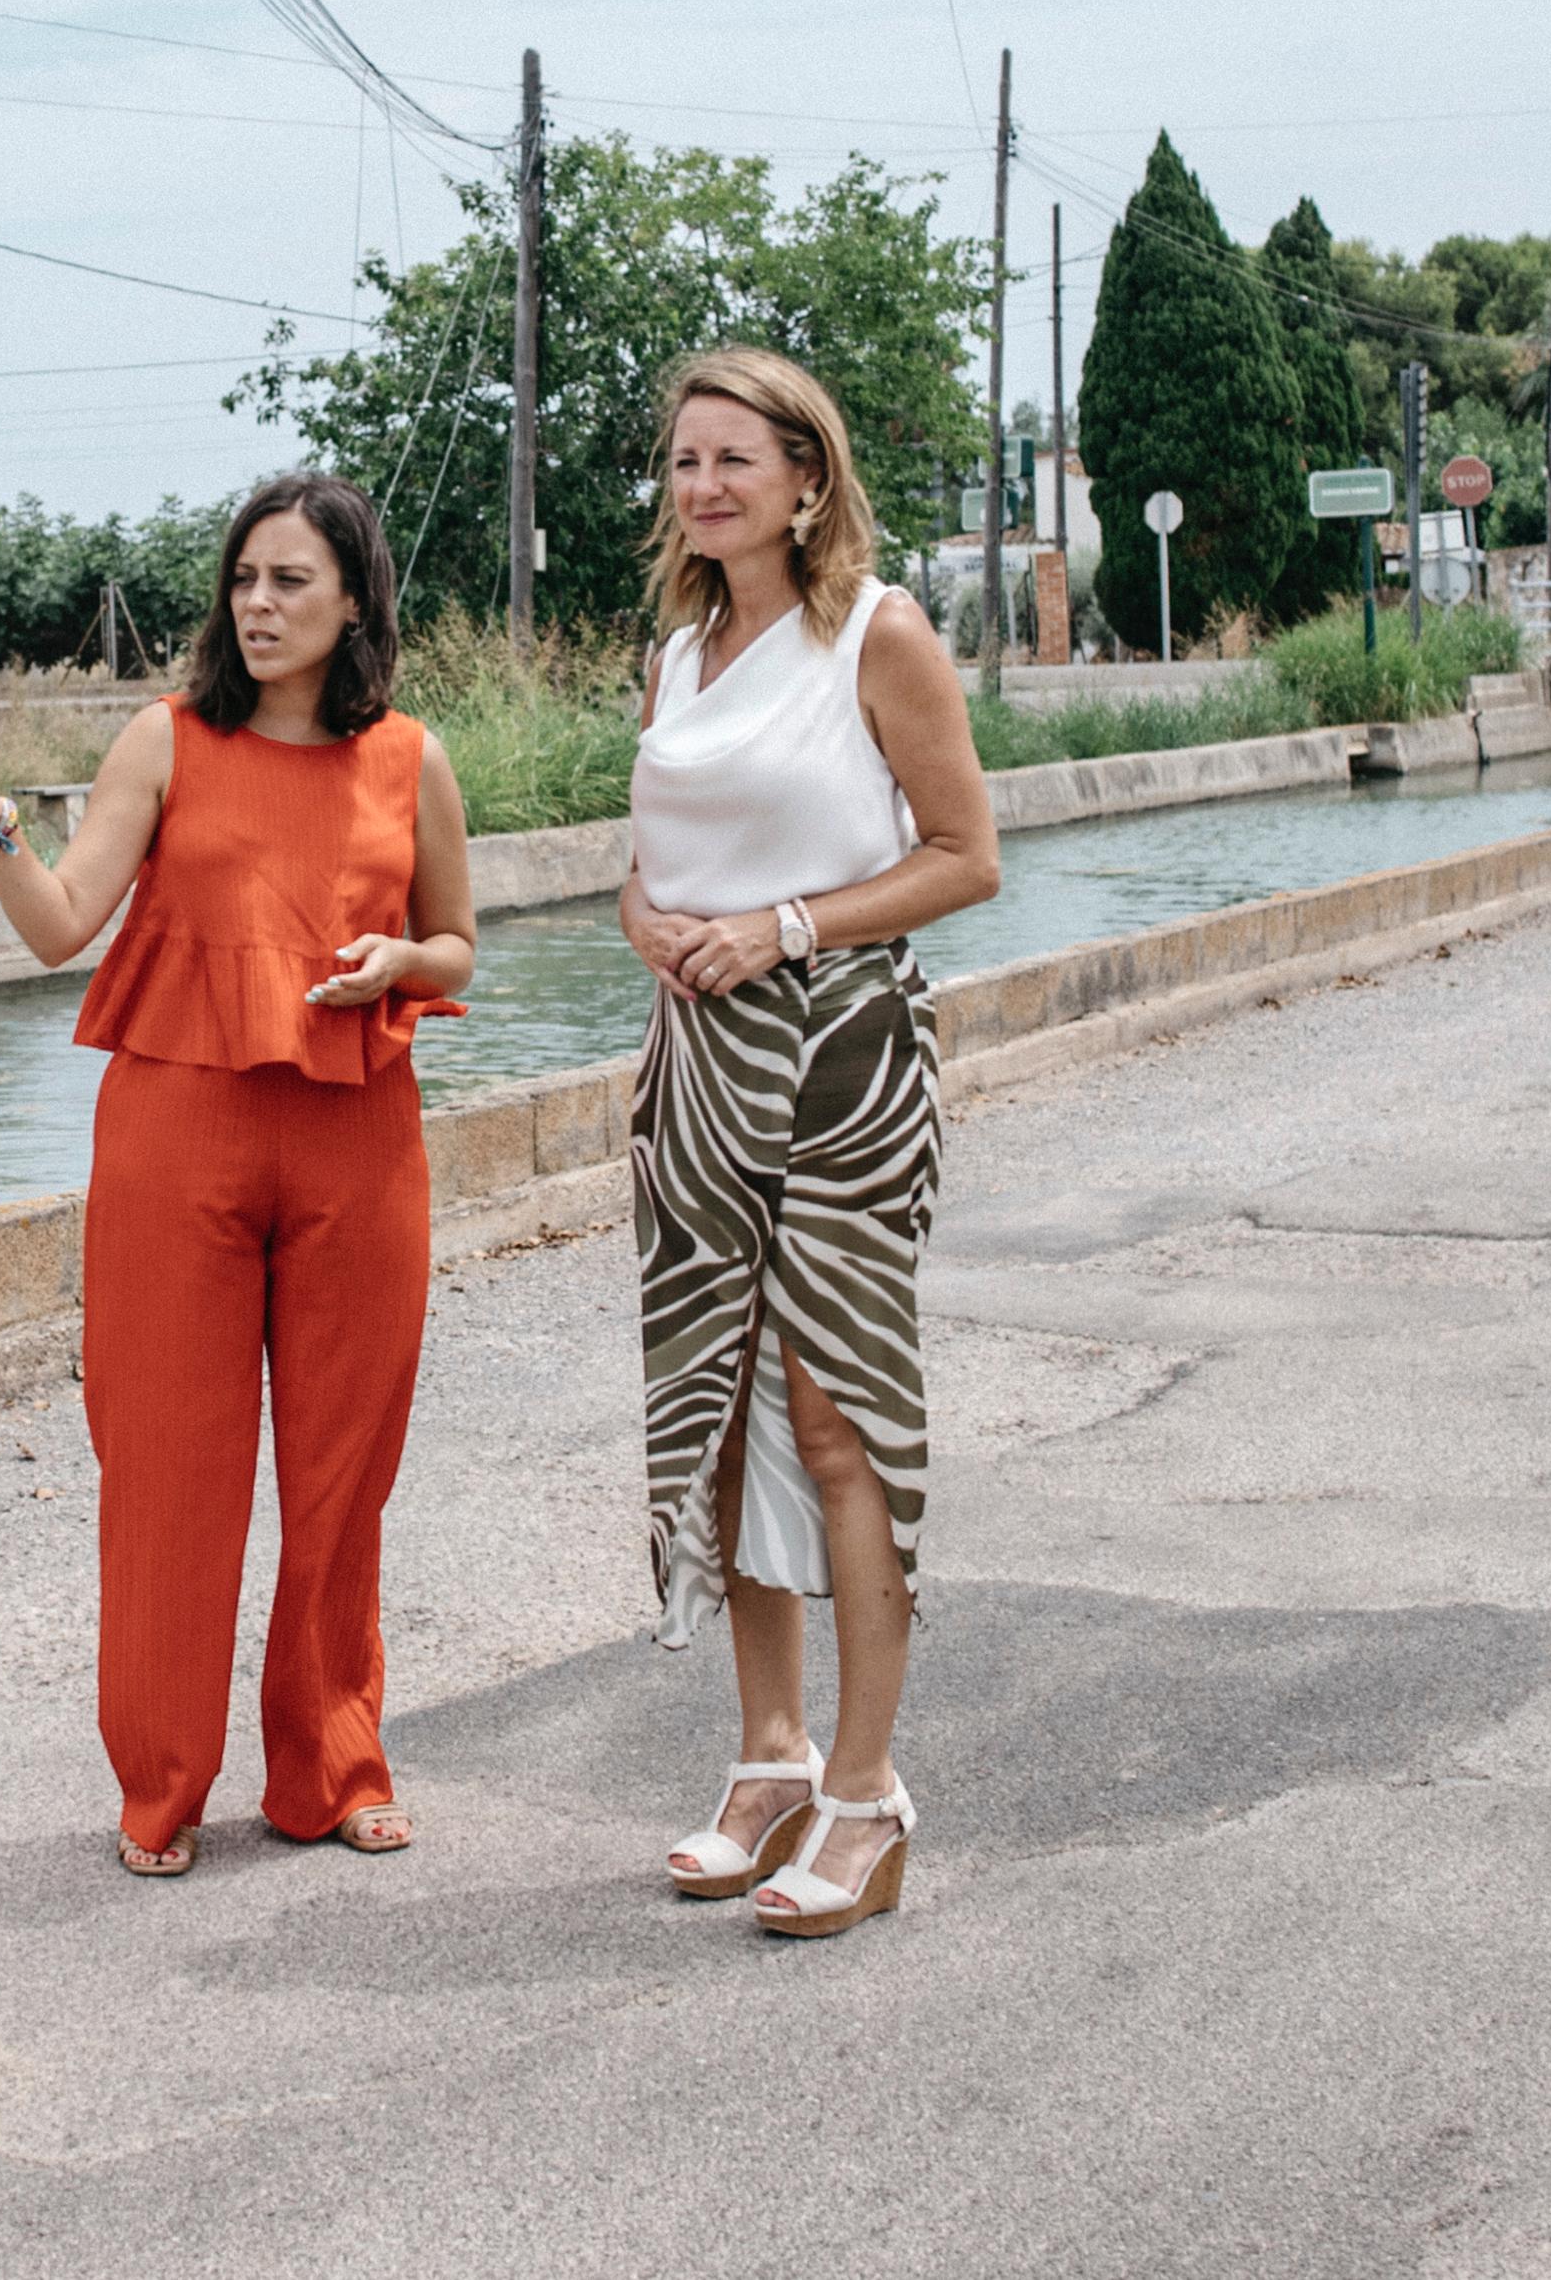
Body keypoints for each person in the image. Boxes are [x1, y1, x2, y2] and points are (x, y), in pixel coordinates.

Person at [0, 473, 476, 1878]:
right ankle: (161, 1784)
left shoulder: (410, 760)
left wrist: (403, 965)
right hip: (174, 1139)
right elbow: (62, 929)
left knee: (342, 1474)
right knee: (166, 1472)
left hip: (358, 1135)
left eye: (291, 583)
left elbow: (458, 946)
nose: (258, 606)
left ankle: (331, 1766)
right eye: (244, 580)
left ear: (355, 604)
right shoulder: (167, 740)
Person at [620, 346, 998, 1939]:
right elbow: (641, 873)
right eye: (686, 462)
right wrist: (651, 923)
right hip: (696, 1066)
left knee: (836, 1420)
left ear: (805, 476)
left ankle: (864, 1789)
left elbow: (967, 858)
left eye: (735, 459)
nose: (705, 486)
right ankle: (763, 1757)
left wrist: (779, 929)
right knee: (713, 1411)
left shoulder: (878, 630)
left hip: (842, 1055)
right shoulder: (676, 652)